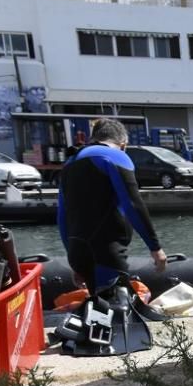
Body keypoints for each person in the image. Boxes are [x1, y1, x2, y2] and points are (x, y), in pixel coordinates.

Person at [57, 118, 167, 298]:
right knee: (116, 315)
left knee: (97, 314)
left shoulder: (69, 163)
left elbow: (62, 217)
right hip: (106, 251)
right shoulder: (115, 156)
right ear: (123, 144)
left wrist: (74, 259)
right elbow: (132, 204)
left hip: (78, 251)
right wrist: (155, 247)